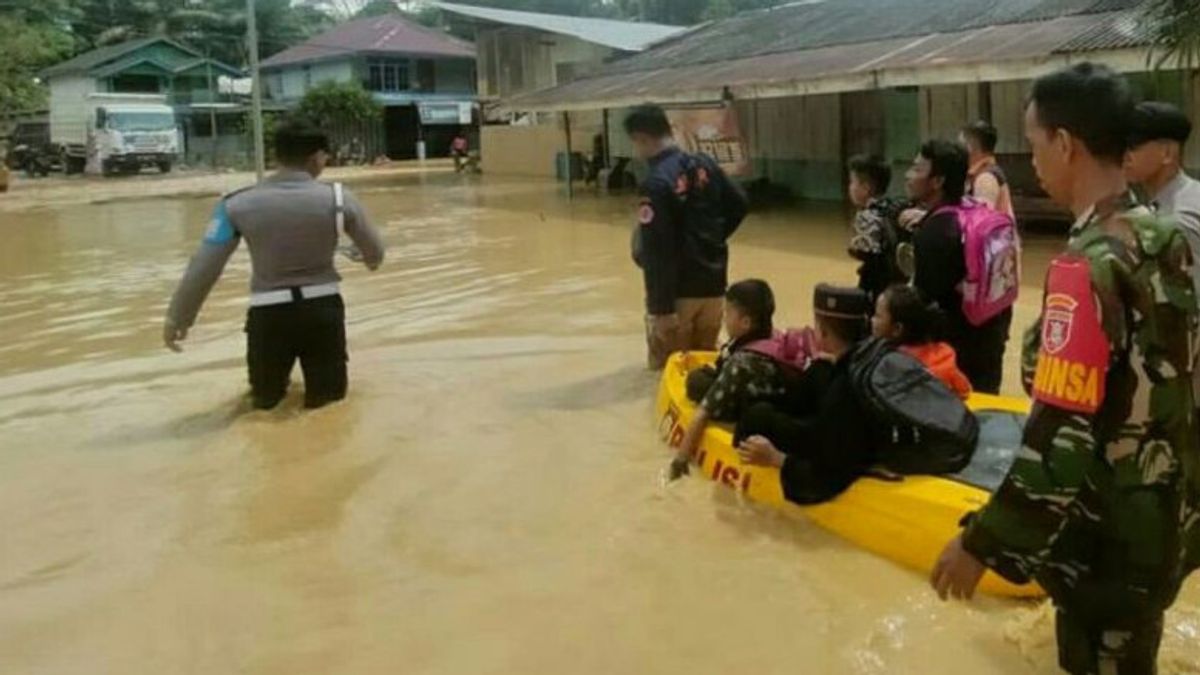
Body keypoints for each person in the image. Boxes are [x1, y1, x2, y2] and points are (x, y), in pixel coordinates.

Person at [930, 62, 1200, 675]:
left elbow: (1063, 432)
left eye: (1033, 143)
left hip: (1107, 538)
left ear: (1065, 144)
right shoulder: (1164, 237)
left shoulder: (1085, 267)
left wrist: (983, 543)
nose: (1033, 160)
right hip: (1165, 514)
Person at [163, 117, 385, 410]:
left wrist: (178, 318)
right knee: (328, 405)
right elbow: (376, 253)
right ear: (316, 157)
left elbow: (204, 267)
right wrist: (365, 259)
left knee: (264, 404)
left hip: (268, 316)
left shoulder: (234, 205)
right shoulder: (339, 199)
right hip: (323, 313)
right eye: (325, 156)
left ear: (276, 156)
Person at [626, 104, 749, 370]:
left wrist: (661, 310)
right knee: (704, 369)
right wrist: (711, 240)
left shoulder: (655, 184)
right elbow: (739, 204)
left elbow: (656, 250)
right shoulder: (704, 164)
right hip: (714, 288)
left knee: (667, 373)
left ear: (640, 139)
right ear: (669, 130)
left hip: (677, 296)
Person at [734, 285, 877, 505]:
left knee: (758, 415)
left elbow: (827, 476)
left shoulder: (844, 391)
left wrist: (775, 459)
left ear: (824, 333)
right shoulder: (865, 357)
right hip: (838, 430)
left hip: (835, 457)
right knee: (816, 371)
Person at [906, 139, 1012, 394]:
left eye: (918, 169)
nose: (909, 175)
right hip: (990, 337)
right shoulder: (972, 210)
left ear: (937, 181)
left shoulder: (935, 232)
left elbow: (924, 305)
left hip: (957, 353)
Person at [669, 279, 791, 478]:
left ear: (745, 323)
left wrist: (679, 461)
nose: (724, 318)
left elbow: (701, 415)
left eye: (727, 313)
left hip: (744, 411)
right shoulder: (777, 338)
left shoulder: (740, 363)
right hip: (772, 408)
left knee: (695, 382)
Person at [1125, 101, 1200, 295]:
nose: (1124, 155)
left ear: (1166, 153)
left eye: (1132, 145)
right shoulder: (1189, 195)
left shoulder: (1179, 217)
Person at [871, 284, 971, 400]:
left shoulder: (886, 366)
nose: (872, 320)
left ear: (897, 329)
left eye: (877, 316)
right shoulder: (944, 358)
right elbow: (965, 391)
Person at [846, 154, 908, 299]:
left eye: (852, 182)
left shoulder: (867, 215)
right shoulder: (894, 207)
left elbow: (865, 253)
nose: (850, 187)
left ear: (866, 188)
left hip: (878, 285)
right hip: (899, 281)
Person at [960, 120, 1016, 219]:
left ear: (969, 148)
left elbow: (982, 222)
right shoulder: (982, 173)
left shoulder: (986, 178)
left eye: (960, 145)